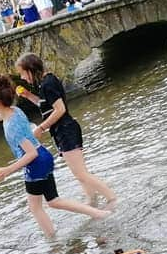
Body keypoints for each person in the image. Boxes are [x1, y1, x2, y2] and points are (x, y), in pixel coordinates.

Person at [0, 75, 111, 237]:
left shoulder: (11, 127)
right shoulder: (15, 112)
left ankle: (54, 240)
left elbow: (30, 154)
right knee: (53, 201)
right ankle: (96, 214)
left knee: (37, 206)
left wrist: (8, 170)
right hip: (44, 156)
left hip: (35, 163)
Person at [15, 53, 117, 207]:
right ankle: (92, 200)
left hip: (66, 131)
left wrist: (42, 128)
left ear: (30, 69)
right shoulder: (44, 83)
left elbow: (60, 109)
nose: (22, 78)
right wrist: (28, 95)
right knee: (80, 173)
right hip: (63, 131)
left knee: (81, 173)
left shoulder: (48, 83)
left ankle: (112, 199)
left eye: (22, 73)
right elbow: (45, 106)